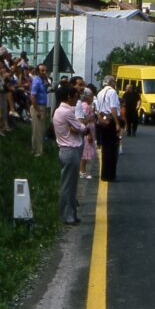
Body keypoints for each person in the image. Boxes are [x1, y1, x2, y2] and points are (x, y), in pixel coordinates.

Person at [53, 85, 87, 225]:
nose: (76, 99)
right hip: (70, 150)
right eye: (75, 96)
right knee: (68, 185)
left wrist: (76, 127)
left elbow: (76, 128)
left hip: (65, 149)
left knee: (71, 184)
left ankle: (71, 214)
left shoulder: (58, 110)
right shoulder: (66, 112)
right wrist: (80, 126)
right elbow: (81, 127)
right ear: (68, 97)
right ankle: (67, 216)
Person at [95, 76, 121, 182]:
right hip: (110, 120)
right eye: (114, 81)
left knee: (105, 148)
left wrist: (100, 119)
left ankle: (104, 174)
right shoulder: (112, 92)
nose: (115, 83)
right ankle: (110, 174)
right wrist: (117, 123)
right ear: (111, 82)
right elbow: (113, 108)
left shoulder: (100, 93)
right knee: (112, 148)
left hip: (102, 120)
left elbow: (97, 109)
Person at [30, 64, 49, 156]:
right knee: (38, 130)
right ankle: (38, 151)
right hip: (38, 106)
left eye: (45, 70)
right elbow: (33, 96)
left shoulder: (42, 80)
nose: (45, 72)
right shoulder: (36, 81)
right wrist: (37, 110)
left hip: (43, 106)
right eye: (42, 71)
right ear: (38, 72)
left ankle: (35, 149)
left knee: (40, 129)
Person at [79, 89, 96, 179]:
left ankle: (83, 171)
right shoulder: (85, 107)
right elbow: (84, 121)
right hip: (87, 131)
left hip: (89, 131)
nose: (92, 97)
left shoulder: (87, 106)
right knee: (85, 153)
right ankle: (82, 171)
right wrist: (89, 134)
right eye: (91, 96)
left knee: (86, 152)